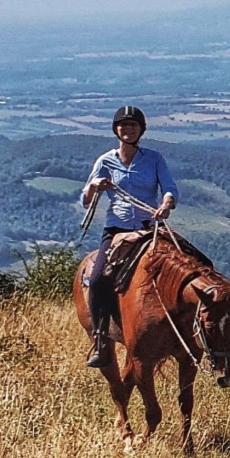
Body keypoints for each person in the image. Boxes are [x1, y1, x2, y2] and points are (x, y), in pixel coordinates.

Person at [80, 105, 178, 368]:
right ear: (116, 130)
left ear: (141, 130)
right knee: (99, 278)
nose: (128, 129)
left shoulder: (155, 159)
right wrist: (93, 186)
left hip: (150, 228)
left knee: (190, 264)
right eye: (123, 125)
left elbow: (169, 188)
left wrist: (166, 204)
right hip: (117, 230)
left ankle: (189, 331)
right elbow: (85, 200)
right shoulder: (105, 161)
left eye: (133, 125)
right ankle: (101, 338)